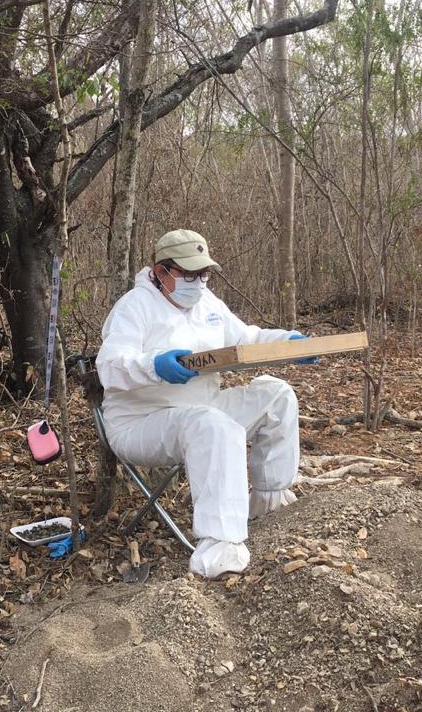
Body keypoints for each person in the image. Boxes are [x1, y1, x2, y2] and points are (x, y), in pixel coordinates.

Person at [96, 229, 315, 579]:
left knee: (277, 395)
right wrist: (154, 366)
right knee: (211, 425)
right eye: (189, 274)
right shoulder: (134, 307)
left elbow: (246, 338)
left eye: (203, 274)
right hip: (142, 421)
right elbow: (109, 366)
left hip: (204, 407)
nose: (198, 282)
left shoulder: (207, 304)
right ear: (161, 271)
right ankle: (220, 545)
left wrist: (288, 343)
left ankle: (270, 500)